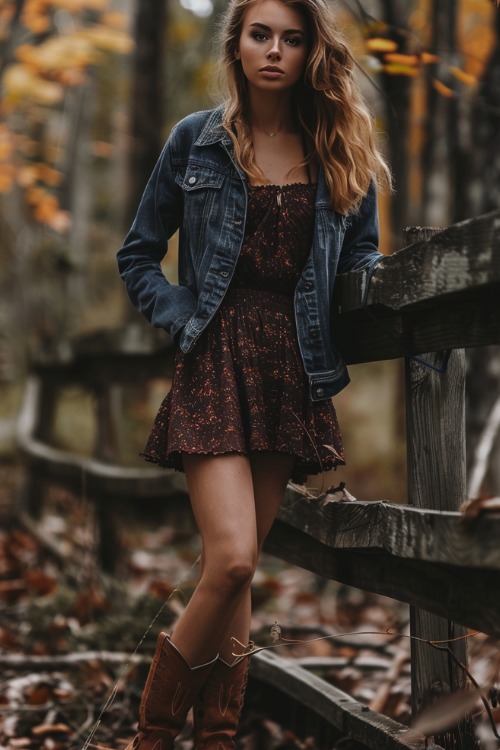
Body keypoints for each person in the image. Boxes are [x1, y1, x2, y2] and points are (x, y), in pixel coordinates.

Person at [116, 0, 391, 747]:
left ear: (310, 52)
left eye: (292, 39)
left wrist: (387, 294)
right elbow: (138, 255)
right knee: (233, 559)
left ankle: (218, 734)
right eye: (260, 34)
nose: (275, 50)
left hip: (291, 366)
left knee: (236, 567)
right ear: (236, 44)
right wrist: (179, 317)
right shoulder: (195, 142)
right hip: (215, 355)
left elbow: (361, 262)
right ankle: (152, 733)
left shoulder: (338, 146)